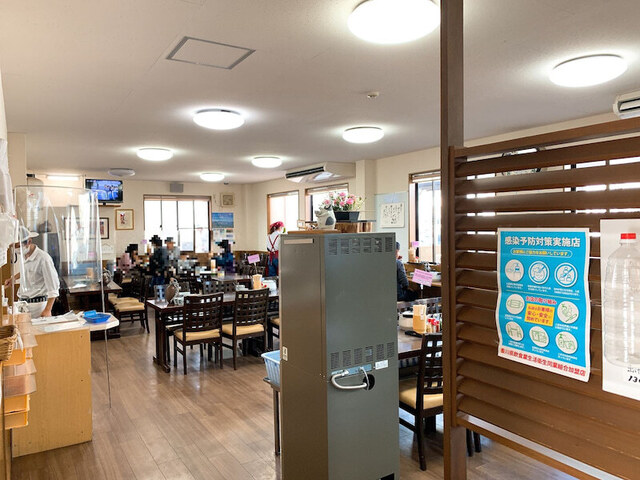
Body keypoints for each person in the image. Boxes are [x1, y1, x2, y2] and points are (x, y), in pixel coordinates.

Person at [4, 227, 60, 318]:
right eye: (13, 247)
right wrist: (14, 278)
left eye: (18, 246)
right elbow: (28, 270)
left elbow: (53, 288)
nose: (16, 249)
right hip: (23, 304)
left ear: (29, 242)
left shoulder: (43, 259)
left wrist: (47, 310)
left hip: (38, 306)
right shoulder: (24, 255)